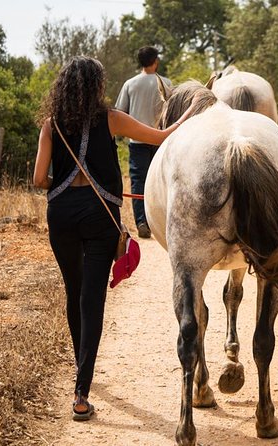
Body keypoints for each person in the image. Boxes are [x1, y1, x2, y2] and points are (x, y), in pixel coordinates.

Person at [33, 56, 195, 421]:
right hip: (98, 217)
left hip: (61, 215)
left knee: (73, 294)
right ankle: (81, 391)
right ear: (96, 86)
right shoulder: (110, 118)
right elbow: (159, 137)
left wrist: (66, 176)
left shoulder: (50, 125)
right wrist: (190, 113)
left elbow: (39, 179)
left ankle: (80, 369)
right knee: (93, 299)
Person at [115, 46, 172, 239]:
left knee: (139, 181)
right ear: (155, 61)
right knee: (162, 180)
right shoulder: (166, 83)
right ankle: (161, 221)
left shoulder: (130, 84)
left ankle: (141, 221)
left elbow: (120, 111)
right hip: (160, 139)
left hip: (137, 141)